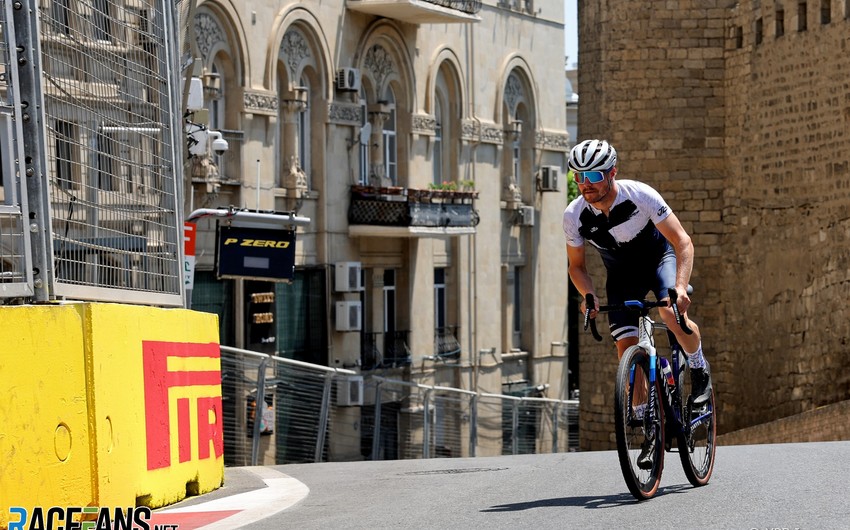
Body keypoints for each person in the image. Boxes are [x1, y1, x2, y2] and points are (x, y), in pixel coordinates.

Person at [562, 139, 712, 468]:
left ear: (612, 173)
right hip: (621, 274)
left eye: (593, 175)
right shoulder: (574, 216)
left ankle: (698, 368)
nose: (585, 184)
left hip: (659, 260)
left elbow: (683, 242)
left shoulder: (640, 195)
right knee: (626, 346)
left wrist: (681, 287)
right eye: (578, 177)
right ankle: (648, 429)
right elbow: (577, 267)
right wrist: (588, 295)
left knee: (668, 310)